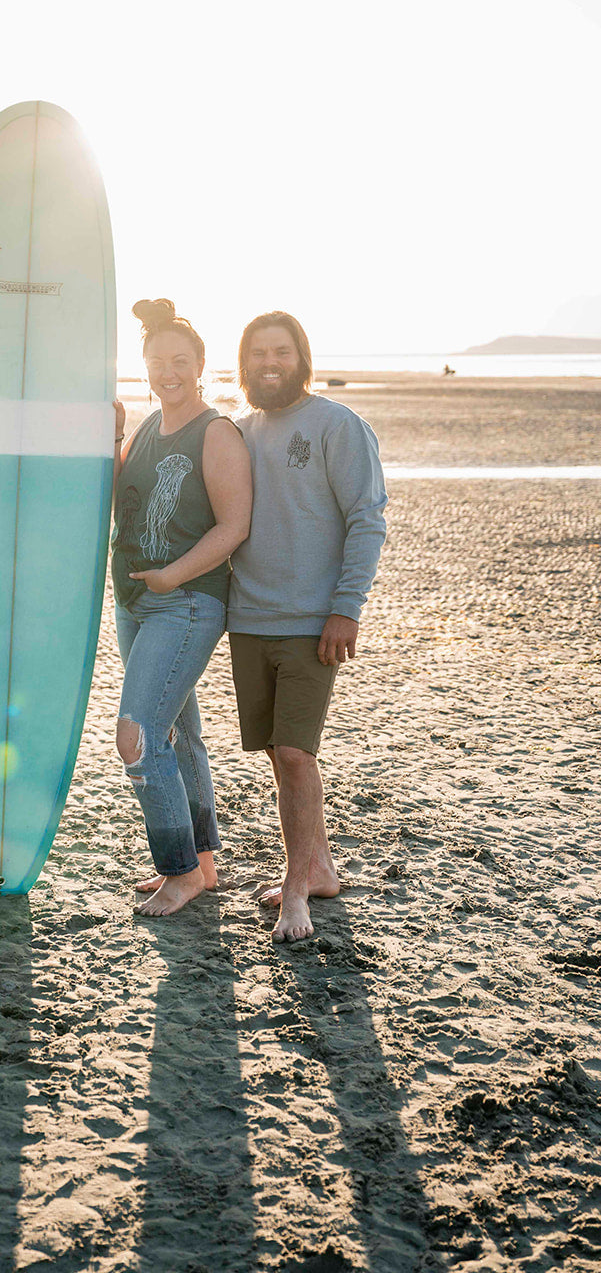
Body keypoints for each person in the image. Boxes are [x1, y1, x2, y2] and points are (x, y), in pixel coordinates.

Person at [228, 311, 387, 942]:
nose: (270, 362)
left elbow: (366, 519)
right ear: (244, 364)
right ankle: (318, 866)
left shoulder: (337, 425)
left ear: (303, 358)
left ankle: (296, 891)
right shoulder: (240, 431)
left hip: (311, 622)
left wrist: (346, 607)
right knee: (278, 752)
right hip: (248, 618)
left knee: (296, 753)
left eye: (282, 352)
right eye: (259, 352)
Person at [112, 298, 253, 917]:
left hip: (186, 602)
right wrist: (113, 436)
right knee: (179, 732)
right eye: (156, 361)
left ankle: (179, 872)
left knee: (137, 737)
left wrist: (171, 575)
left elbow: (234, 526)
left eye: (180, 361)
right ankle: (204, 862)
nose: (168, 371)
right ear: (143, 365)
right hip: (136, 601)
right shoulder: (148, 426)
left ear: (200, 365)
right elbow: (119, 498)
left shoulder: (214, 431)